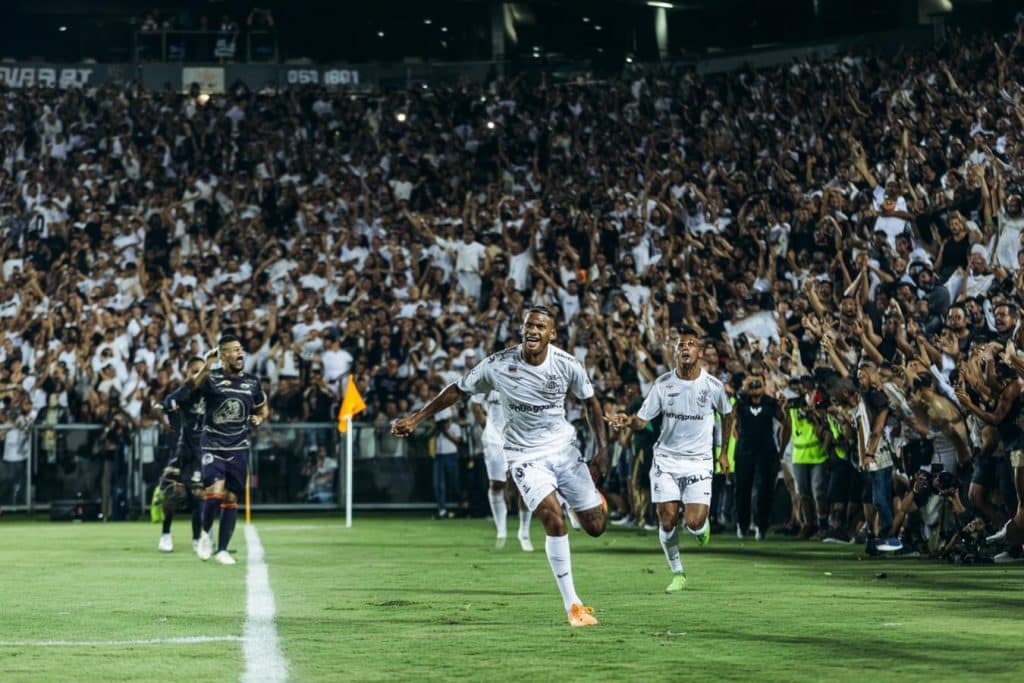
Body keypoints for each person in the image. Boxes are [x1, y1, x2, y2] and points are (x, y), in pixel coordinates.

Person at [391, 306, 608, 627]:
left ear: (552, 334)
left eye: (540, 326)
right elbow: (457, 389)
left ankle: (583, 504)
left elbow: (590, 402)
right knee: (552, 519)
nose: (532, 331)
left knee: (596, 527)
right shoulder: (499, 364)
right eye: (528, 325)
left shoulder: (567, 365)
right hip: (523, 455)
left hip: (563, 451)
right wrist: (415, 418)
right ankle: (573, 605)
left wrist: (601, 449)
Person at [606, 327, 734, 593]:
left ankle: (701, 526)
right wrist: (627, 421)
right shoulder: (663, 384)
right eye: (681, 345)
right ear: (676, 353)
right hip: (666, 459)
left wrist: (722, 452)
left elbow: (728, 414)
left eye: (691, 344)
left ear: (699, 352)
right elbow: (642, 420)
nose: (685, 348)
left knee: (695, 523)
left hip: (699, 461)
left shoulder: (712, 386)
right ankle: (678, 572)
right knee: (666, 521)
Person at [188, 334, 268, 564]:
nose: (239, 353)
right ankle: (205, 535)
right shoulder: (211, 378)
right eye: (233, 350)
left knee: (231, 497)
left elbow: (263, 409)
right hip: (213, 443)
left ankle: (222, 549)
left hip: (239, 446)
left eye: (240, 349)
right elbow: (193, 385)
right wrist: (208, 363)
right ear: (222, 354)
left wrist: (258, 419)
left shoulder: (252, 382)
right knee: (215, 490)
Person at [470, 389, 533, 550]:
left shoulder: (523, 376)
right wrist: (487, 426)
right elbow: (475, 403)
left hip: (520, 439)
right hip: (494, 440)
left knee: (524, 485)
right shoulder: (489, 375)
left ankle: (524, 533)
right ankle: (501, 530)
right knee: (497, 484)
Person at [158, 356, 207, 553]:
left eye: (200, 370)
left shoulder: (211, 393)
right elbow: (167, 402)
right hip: (181, 451)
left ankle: (197, 539)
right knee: (173, 494)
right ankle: (166, 535)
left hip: (201, 453)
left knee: (198, 497)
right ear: (187, 373)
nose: (197, 374)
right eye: (193, 370)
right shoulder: (184, 393)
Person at [732, 372, 788, 540]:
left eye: (759, 383)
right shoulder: (741, 402)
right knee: (742, 489)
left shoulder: (771, 403)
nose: (756, 387)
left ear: (765, 385)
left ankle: (761, 525)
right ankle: (742, 524)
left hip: (766, 452)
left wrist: (782, 450)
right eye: (752, 383)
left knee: (765, 489)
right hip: (745, 451)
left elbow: (785, 422)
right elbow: (731, 419)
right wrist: (744, 390)